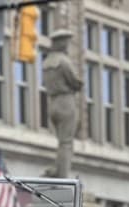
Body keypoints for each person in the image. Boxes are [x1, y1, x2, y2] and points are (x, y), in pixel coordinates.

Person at [42, 29, 83, 178]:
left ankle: (59, 171)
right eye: (66, 42)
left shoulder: (46, 63)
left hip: (52, 103)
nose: (67, 45)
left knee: (61, 141)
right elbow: (74, 81)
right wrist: (79, 84)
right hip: (66, 102)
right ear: (61, 43)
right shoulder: (64, 61)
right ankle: (64, 176)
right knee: (66, 142)